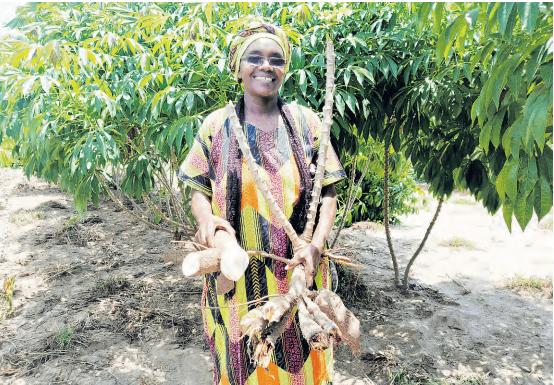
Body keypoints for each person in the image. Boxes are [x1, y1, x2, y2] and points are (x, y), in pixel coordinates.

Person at [178, 22, 346, 385]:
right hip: (236, 272)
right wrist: (210, 225)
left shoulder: (307, 123)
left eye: (276, 59)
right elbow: (197, 189)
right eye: (254, 58)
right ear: (238, 69)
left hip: (301, 269)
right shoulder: (215, 126)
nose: (265, 66)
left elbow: (329, 191)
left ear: (285, 69)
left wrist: (315, 246)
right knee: (241, 359)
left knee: (304, 356)